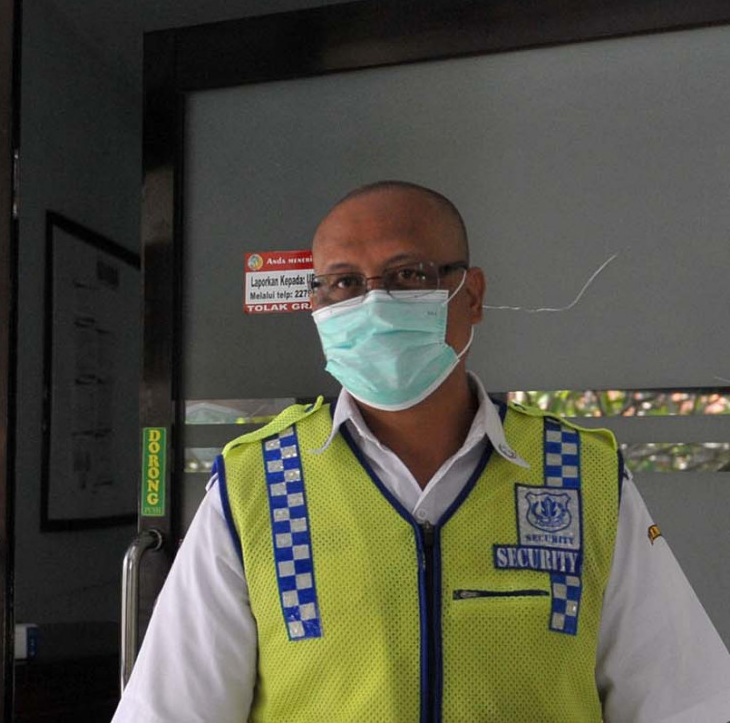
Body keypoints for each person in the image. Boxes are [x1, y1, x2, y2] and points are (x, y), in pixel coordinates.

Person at [113, 181, 730, 723]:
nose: (373, 304)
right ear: (319, 306)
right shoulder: (259, 485)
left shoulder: (581, 476)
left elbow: (683, 700)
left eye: (408, 274)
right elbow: (172, 710)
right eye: (345, 283)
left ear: (473, 293)